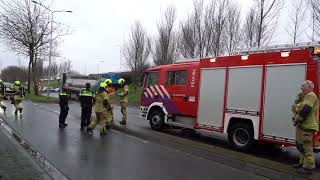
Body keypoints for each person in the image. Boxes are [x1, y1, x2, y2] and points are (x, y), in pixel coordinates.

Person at [292, 80, 319, 174]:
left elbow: (305, 110)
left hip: (307, 125)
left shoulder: (311, 95)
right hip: (302, 125)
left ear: (309, 87)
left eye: (303, 85)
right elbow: (295, 108)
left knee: (307, 146)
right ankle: (302, 163)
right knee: (301, 145)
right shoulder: (304, 96)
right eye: (301, 85)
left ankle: (308, 167)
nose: (301, 87)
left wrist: (297, 119)